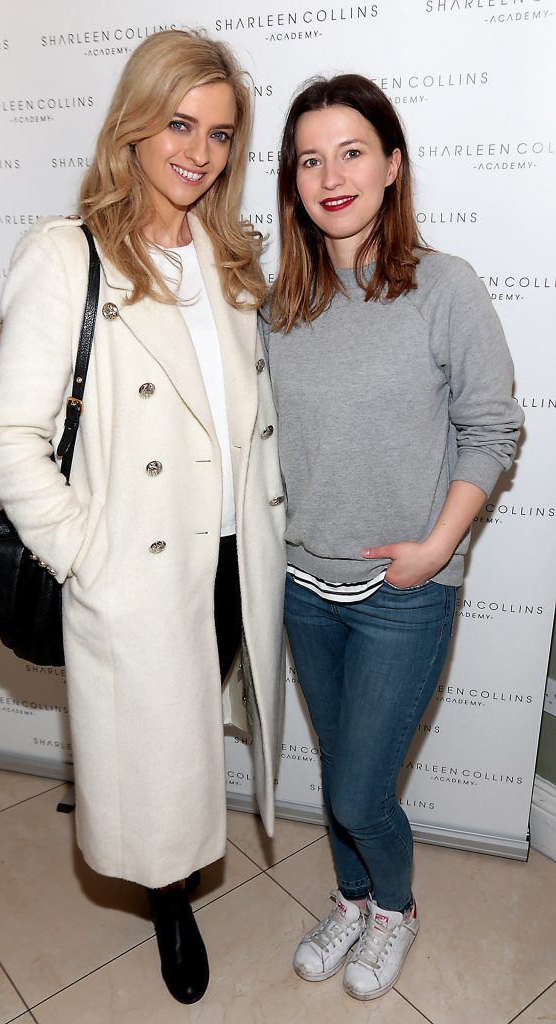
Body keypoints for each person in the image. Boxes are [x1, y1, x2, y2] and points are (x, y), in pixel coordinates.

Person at [0, 29, 286, 1005]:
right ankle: (170, 899)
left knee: (196, 727)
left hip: (233, 554)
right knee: (154, 750)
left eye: (222, 133)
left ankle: (181, 865)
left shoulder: (232, 260)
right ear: (135, 125)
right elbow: (8, 438)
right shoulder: (67, 256)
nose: (198, 151)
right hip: (139, 566)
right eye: (179, 123)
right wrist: (88, 557)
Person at [262, 74, 523, 1001]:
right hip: (301, 584)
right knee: (341, 772)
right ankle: (353, 896)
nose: (330, 174)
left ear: (391, 165)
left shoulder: (444, 288)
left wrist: (433, 549)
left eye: (351, 151)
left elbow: (491, 430)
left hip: (402, 593)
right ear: (291, 181)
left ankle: (394, 912)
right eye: (308, 158)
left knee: (357, 789)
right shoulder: (278, 301)